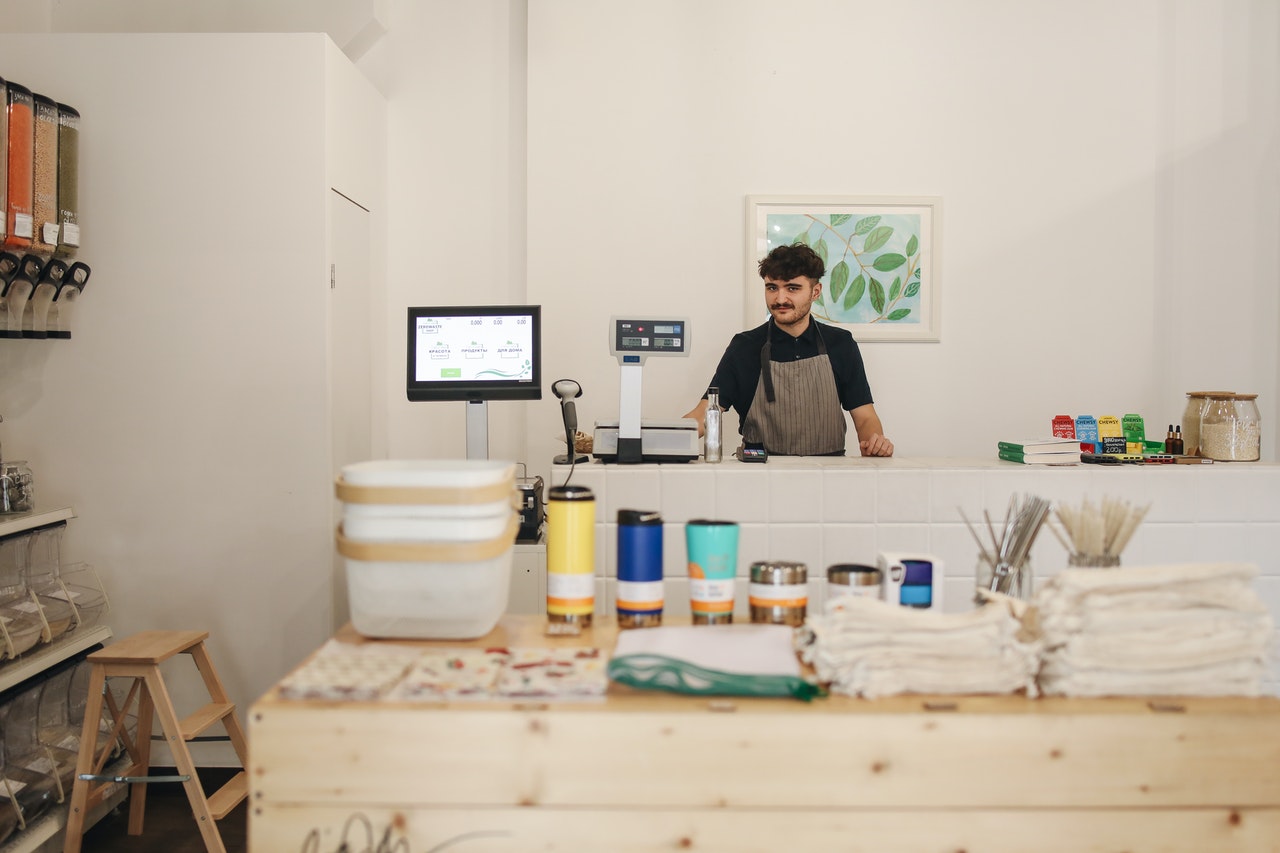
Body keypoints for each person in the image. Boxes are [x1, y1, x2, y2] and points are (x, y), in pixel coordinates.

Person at [684, 243, 894, 457]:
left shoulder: (841, 344)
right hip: (758, 473)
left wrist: (874, 444)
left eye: (792, 288)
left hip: (828, 474)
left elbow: (865, 416)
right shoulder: (744, 346)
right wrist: (664, 438)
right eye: (772, 288)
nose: (780, 299)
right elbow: (706, 412)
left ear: (816, 291)